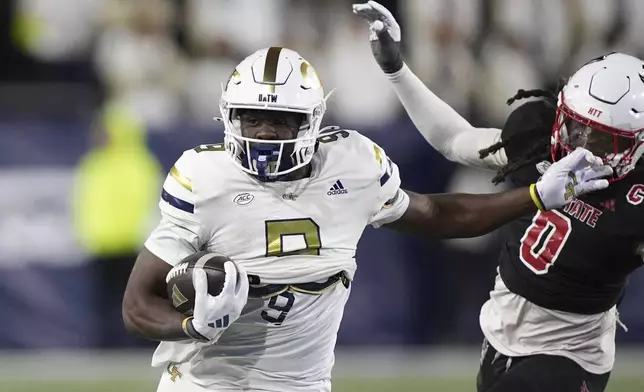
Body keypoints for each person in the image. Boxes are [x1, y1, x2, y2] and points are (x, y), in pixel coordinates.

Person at [122, 46, 610, 392]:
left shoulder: (352, 165)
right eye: (252, 118)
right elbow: (137, 304)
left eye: (282, 120)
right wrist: (192, 328)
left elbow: (439, 214)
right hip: (207, 386)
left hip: (305, 386)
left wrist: (534, 196)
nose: (265, 132)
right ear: (231, 118)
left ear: (311, 122)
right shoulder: (203, 178)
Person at [354, 2, 644, 392]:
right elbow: (454, 139)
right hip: (501, 331)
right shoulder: (538, 137)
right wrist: (396, 70)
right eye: (576, 129)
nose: (583, 147)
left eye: (605, 139)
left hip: (572, 353)